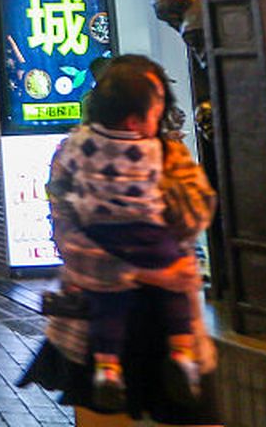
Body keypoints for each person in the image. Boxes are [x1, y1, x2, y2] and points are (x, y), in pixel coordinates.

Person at [49, 60, 206, 407]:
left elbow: (198, 213)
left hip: (165, 323)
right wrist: (150, 270)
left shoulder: (168, 152)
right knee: (107, 414)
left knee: (189, 410)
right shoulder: (71, 153)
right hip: (94, 320)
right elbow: (69, 240)